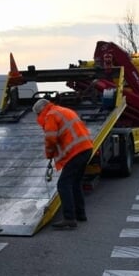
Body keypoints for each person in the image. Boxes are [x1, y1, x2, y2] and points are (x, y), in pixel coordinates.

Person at [33, 98, 94, 229]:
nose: (38, 117)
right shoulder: (63, 110)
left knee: (63, 184)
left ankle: (69, 218)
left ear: (41, 111)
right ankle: (80, 214)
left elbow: (50, 138)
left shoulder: (50, 115)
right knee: (75, 182)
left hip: (76, 151)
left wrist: (49, 155)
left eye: (37, 114)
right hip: (86, 148)